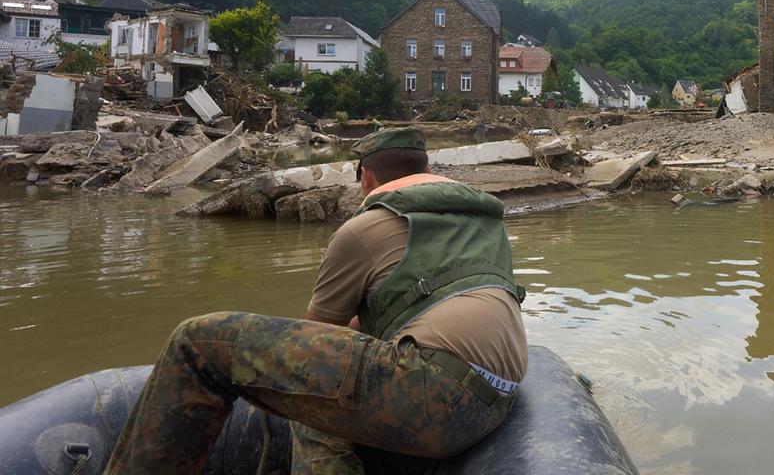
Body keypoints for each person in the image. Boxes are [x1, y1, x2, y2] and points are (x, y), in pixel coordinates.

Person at [103, 127, 528, 474]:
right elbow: (404, 318)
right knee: (333, 382)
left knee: (195, 341)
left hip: (431, 396)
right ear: (427, 170)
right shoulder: (485, 225)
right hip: (494, 402)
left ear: (365, 178)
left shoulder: (366, 229)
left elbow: (315, 341)